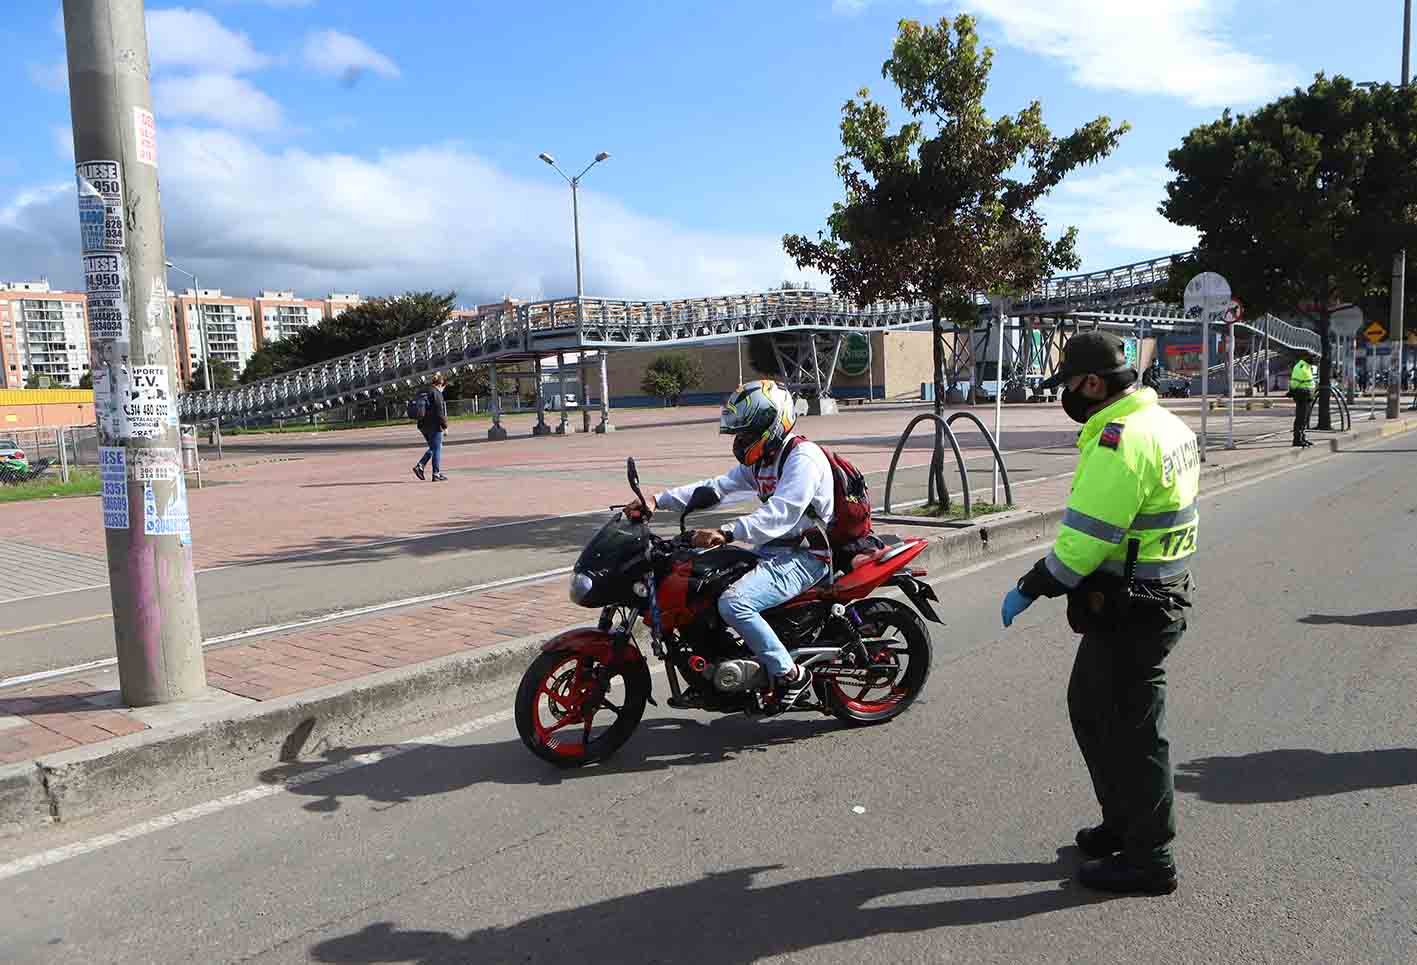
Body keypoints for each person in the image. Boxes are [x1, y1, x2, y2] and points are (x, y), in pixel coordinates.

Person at [999, 332, 1198, 896]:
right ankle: (1124, 823)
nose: (1065, 397)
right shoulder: (1166, 423)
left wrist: (1030, 586)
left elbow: (1084, 541)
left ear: (1091, 382)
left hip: (1136, 605)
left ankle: (1150, 857)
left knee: (1133, 729)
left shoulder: (1121, 440)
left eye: (1067, 384)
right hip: (1151, 593)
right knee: (1093, 709)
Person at [627, 380, 830, 710]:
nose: (741, 440)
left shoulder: (802, 458)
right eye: (740, 433)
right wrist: (656, 500)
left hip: (807, 555)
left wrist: (727, 531)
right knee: (699, 583)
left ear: (772, 425)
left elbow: (782, 513)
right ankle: (709, 676)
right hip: (774, 550)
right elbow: (717, 488)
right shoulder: (763, 460)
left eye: (748, 433)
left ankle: (791, 675)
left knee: (734, 603)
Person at [412, 374, 449, 481]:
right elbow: (439, 412)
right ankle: (434, 473)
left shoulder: (423, 391)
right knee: (437, 448)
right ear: (441, 384)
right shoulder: (436, 393)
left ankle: (421, 467)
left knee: (433, 447)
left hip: (422, 425)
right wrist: (445, 426)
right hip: (434, 425)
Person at [1289, 352, 1316, 447]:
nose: (1314, 359)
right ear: (1305, 357)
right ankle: (1297, 439)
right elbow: (1295, 382)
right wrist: (1294, 390)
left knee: (1304, 418)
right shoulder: (1300, 367)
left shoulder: (1307, 367)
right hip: (1302, 395)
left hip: (1307, 395)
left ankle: (1302, 437)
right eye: (1312, 357)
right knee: (1301, 418)